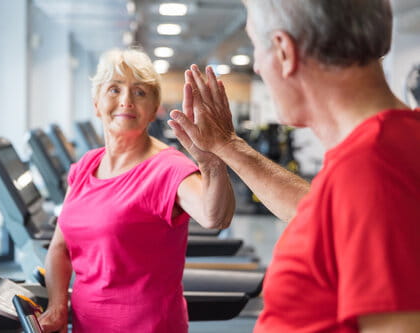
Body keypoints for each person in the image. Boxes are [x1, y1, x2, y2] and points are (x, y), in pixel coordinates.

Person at [168, 0, 420, 332]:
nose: (257, 66)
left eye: (257, 45)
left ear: (284, 52)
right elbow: (325, 214)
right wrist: (227, 146)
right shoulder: (388, 149)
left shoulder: (373, 169)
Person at [38, 48, 235, 333]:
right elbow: (60, 248)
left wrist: (212, 159)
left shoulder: (167, 168)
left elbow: (214, 216)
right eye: (114, 89)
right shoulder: (85, 166)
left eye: (140, 92)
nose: (126, 101)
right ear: (96, 103)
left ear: (155, 106)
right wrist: (57, 307)